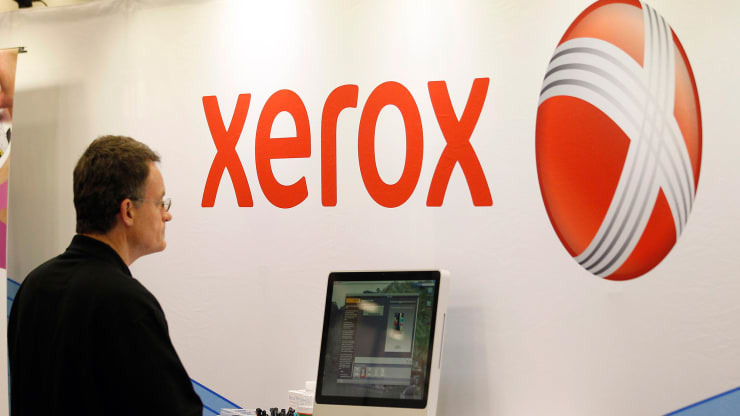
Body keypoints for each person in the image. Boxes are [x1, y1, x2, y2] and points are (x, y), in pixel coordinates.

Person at [7, 135, 203, 415]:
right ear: (128, 211)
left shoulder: (33, 286)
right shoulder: (126, 302)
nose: (166, 215)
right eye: (160, 202)